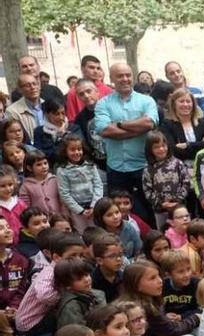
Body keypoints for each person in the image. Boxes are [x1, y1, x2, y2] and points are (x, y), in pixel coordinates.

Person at [94, 63, 159, 225]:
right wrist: (137, 129)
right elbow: (105, 130)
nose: (125, 79)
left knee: (147, 213)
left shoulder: (146, 101)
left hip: (143, 167)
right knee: (117, 214)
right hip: (116, 169)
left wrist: (120, 124)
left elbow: (149, 123)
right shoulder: (103, 103)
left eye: (128, 75)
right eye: (120, 76)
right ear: (111, 79)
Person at [65, 55, 112, 121]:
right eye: (91, 67)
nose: (95, 71)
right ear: (82, 68)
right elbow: (72, 119)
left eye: (98, 68)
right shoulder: (73, 92)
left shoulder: (108, 90)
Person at [6, 75, 43, 145]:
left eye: (35, 84)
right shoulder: (13, 111)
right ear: (20, 89)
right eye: (27, 85)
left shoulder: (48, 106)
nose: (33, 87)